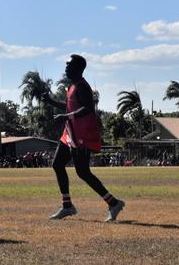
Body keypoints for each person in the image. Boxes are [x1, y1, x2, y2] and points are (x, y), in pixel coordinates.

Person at [41, 54, 125, 221]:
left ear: (78, 68)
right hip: (70, 133)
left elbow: (88, 108)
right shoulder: (72, 87)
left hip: (82, 134)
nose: (66, 68)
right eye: (66, 65)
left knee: (83, 172)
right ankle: (67, 206)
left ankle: (113, 203)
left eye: (69, 65)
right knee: (57, 164)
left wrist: (67, 116)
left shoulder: (82, 87)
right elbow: (70, 106)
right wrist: (50, 101)